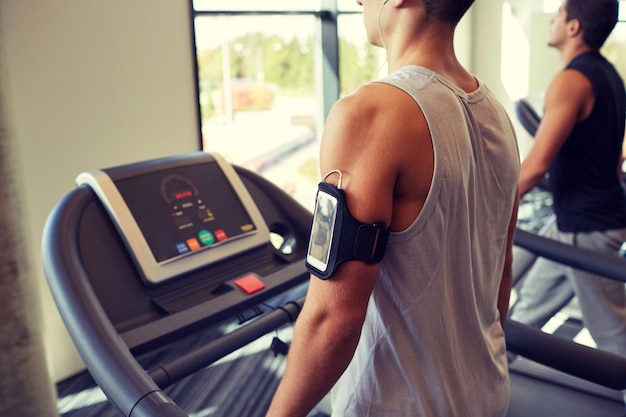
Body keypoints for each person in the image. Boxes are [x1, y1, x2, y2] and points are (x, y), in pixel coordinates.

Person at [265, 0, 520, 416]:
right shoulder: (497, 114)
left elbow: (334, 318)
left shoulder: (369, 114)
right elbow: (500, 272)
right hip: (486, 394)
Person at [510, 0, 626, 377]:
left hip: (588, 227)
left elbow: (535, 165)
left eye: (558, 14)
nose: (552, 20)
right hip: (574, 222)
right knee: (526, 311)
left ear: (574, 27)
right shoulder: (610, 76)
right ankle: (488, 382)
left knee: (613, 336)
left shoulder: (570, 80)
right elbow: (614, 159)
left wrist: (491, 210)